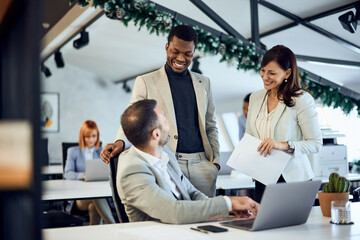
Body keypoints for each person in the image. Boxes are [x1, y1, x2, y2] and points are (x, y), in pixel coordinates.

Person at [101, 25, 219, 197]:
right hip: (167, 162)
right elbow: (133, 119)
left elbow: (211, 126)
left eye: (188, 53)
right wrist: (120, 142)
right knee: (174, 217)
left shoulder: (204, 83)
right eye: (175, 51)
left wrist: (214, 163)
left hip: (202, 165)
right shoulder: (146, 81)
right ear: (166, 47)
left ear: (194, 51)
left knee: (209, 216)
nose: (181, 58)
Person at [117, 99, 259, 224]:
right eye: (165, 121)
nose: (169, 125)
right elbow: (173, 211)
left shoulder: (165, 152)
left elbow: (191, 193)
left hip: (187, 228)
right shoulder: (132, 171)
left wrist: (226, 210)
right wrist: (228, 203)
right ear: (156, 134)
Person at [245, 45, 322, 203]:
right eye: (263, 70)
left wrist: (284, 145)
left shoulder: (301, 100)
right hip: (263, 178)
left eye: (272, 73)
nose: (265, 77)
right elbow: (250, 137)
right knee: (264, 226)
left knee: (294, 228)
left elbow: (315, 144)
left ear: (287, 73)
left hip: (292, 180)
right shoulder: (255, 98)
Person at [64, 120, 115, 225]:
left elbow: (107, 171)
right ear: (82, 136)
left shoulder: (102, 151)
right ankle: (113, 225)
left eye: (94, 136)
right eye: (87, 136)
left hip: (98, 193)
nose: (91, 139)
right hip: (79, 198)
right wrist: (83, 175)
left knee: (93, 206)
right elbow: (67, 173)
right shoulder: (73, 151)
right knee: (95, 196)